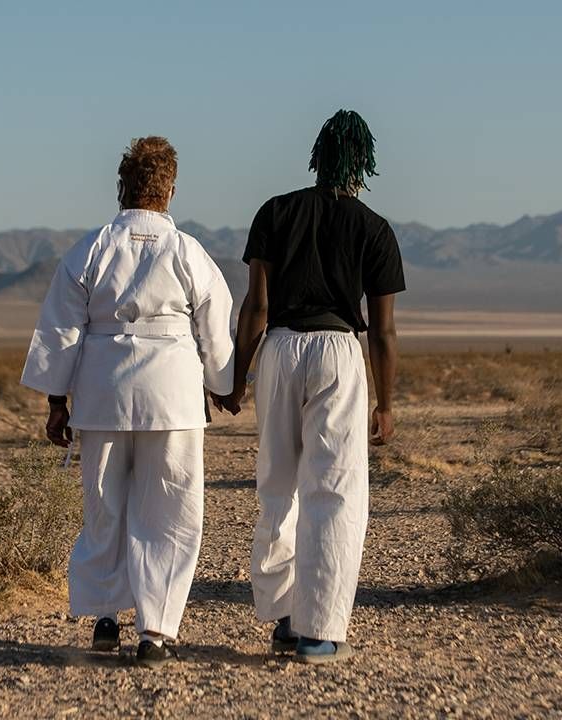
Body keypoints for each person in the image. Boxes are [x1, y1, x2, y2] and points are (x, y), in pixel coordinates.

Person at [21, 136, 234, 668]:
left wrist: (56, 403)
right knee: (170, 509)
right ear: (171, 189)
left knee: (105, 504)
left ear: (122, 187)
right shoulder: (189, 251)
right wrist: (224, 383)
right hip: (173, 396)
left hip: (103, 393)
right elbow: (215, 323)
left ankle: (106, 616)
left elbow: (60, 329)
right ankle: (156, 631)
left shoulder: (90, 249)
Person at [214, 110, 405, 665]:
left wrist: (235, 378)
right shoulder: (374, 228)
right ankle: (319, 631)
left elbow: (256, 305)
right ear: (363, 162)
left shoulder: (276, 211)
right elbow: (385, 331)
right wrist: (385, 402)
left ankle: (283, 619)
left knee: (278, 483)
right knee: (334, 492)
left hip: (279, 350)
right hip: (340, 353)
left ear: (317, 155)